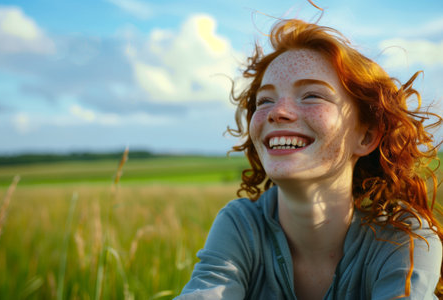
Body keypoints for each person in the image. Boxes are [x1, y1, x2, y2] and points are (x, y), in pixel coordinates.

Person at [175, 18, 443, 299]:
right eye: (264, 100)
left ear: (365, 137)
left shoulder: (402, 238)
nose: (277, 112)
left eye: (312, 95)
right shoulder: (241, 225)